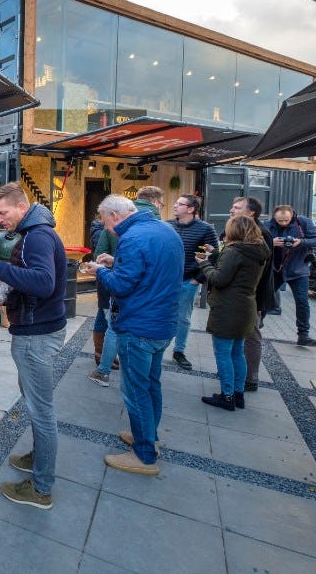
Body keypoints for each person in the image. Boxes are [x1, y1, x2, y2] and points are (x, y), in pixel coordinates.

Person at [0, 183, 66, 510]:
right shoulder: (37, 232)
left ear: (21, 207)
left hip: (36, 335)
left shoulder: (37, 236)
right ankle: (40, 457)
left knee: (41, 411)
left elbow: (43, 282)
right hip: (40, 329)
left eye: (2, 213)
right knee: (37, 404)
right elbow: (32, 279)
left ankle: (41, 488)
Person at [82, 194, 182, 476]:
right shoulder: (164, 229)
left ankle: (145, 456)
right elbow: (150, 270)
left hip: (139, 324)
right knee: (151, 384)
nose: (107, 229)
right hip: (163, 322)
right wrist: (116, 261)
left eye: (105, 222)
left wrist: (100, 270)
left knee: (136, 390)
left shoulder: (133, 237)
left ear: (114, 216)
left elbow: (122, 287)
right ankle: (148, 437)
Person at [196, 216, 270, 411]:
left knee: (223, 353)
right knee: (238, 352)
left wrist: (204, 263)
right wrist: (216, 254)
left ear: (235, 231)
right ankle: (238, 395)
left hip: (228, 307)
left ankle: (226, 396)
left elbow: (219, 279)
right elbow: (238, 270)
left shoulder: (234, 251)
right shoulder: (258, 249)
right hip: (246, 306)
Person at [228, 196, 277, 392]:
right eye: (232, 206)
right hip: (237, 296)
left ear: (251, 213)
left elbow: (257, 272)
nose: (231, 210)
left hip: (252, 296)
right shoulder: (236, 229)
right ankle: (236, 373)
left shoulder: (259, 234)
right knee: (235, 335)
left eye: (237, 207)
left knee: (250, 335)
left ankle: (250, 378)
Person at [168, 194, 220, 371]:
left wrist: (198, 280)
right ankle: (157, 346)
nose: (175, 206)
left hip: (188, 280)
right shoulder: (167, 225)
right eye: (175, 203)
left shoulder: (205, 229)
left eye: (179, 204)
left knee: (183, 318)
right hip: (165, 281)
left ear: (191, 209)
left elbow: (214, 256)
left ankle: (179, 351)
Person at [266, 205, 316, 346]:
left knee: (302, 302)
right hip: (276, 269)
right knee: (264, 298)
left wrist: (301, 242)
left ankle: (303, 335)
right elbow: (259, 242)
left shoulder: (303, 222)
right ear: (274, 217)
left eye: (286, 220)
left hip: (298, 270)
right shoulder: (267, 225)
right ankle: (255, 327)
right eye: (280, 221)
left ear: (292, 216)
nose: (283, 223)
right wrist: (271, 242)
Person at [87, 216, 120, 386]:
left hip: (109, 282)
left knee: (105, 317)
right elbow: (99, 254)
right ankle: (104, 362)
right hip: (111, 283)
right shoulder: (105, 230)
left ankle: (102, 357)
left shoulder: (110, 230)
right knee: (110, 322)